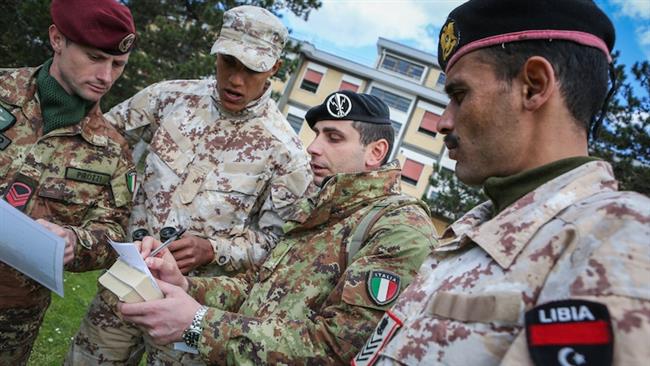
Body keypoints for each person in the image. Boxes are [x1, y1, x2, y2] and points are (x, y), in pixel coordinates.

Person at [353, 0, 650, 365]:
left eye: (459, 96)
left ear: (533, 86)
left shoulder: (622, 240)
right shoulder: (470, 234)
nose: (443, 122)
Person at [66, 5, 313, 365]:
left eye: (252, 69)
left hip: (192, 305)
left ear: (275, 68)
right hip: (126, 281)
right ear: (217, 51)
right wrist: (114, 207)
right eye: (229, 62)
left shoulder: (285, 152)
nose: (236, 80)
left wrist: (213, 249)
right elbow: (101, 144)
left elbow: (276, 244)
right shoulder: (170, 98)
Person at [117, 90, 437, 364]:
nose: (313, 147)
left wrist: (200, 324)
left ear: (376, 152)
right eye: (317, 134)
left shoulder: (400, 230)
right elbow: (257, 289)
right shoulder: (321, 211)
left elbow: (335, 349)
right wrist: (187, 288)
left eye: (333, 137)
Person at [0, 0, 137, 364]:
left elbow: (115, 232)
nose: (106, 76)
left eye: (118, 65)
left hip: (11, 320)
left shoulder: (113, 151)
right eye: (95, 58)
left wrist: (78, 242)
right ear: (57, 39)